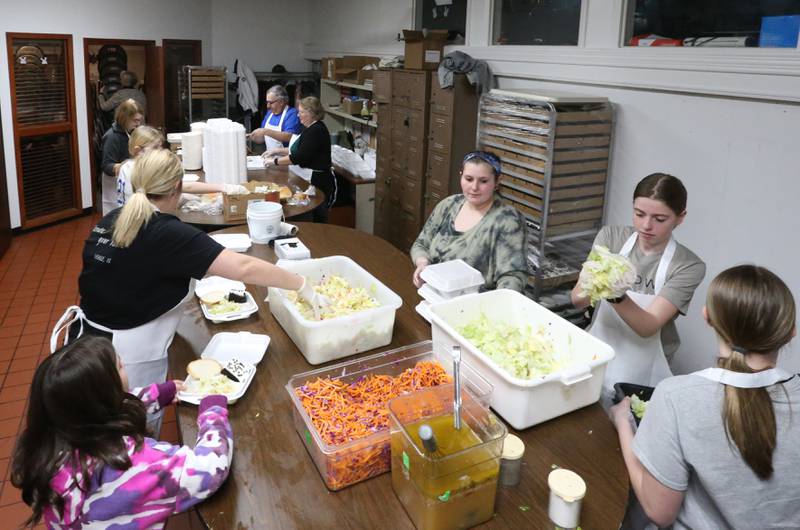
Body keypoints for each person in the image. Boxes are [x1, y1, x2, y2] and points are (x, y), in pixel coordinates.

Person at [50, 149, 326, 413]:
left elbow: (132, 274)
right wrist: (301, 283)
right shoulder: (168, 233)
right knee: (132, 434)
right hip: (127, 356)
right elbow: (243, 267)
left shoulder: (112, 218)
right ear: (177, 188)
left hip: (86, 346)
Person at [609, 265, 800, 529]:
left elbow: (658, 511)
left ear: (707, 316)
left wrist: (623, 424)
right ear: (791, 331)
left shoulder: (676, 397)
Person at [11, 335, 232, 529]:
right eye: (120, 365)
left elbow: (110, 405)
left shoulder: (47, 447)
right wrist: (213, 412)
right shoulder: (132, 463)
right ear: (107, 392)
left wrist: (157, 394)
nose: (124, 364)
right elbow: (210, 470)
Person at [571, 173, 705, 397]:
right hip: (598, 349)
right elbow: (576, 301)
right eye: (639, 214)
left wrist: (615, 294)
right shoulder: (611, 238)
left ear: (680, 217)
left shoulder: (687, 265)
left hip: (644, 369)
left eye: (660, 219)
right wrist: (591, 283)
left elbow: (647, 327)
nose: (646, 225)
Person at [410, 151, 527, 291]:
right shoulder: (449, 205)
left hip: (475, 305)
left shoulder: (507, 221)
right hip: (434, 293)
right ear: (461, 176)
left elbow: (512, 278)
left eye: (483, 181)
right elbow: (421, 244)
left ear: (497, 182)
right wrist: (422, 262)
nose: (474, 187)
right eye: (469, 179)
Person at [116, 125, 246, 207]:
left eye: (161, 146)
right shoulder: (142, 170)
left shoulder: (126, 165)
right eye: (155, 147)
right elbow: (184, 186)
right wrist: (223, 187)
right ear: (138, 150)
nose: (160, 151)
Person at [263, 96, 337, 223]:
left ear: (312, 113)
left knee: (318, 217)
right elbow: (300, 150)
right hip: (309, 178)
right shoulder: (309, 128)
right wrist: (277, 151)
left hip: (319, 181)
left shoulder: (316, 130)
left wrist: (274, 161)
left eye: (302, 112)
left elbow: (298, 157)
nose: (298, 115)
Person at [101, 99, 143, 215]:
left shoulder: (128, 131)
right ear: (125, 118)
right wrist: (127, 165)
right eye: (135, 120)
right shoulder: (112, 137)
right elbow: (106, 166)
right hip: (114, 185)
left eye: (139, 120)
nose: (138, 124)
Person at [249, 85, 302, 149]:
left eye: (271, 103)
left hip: (286, 157)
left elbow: (290, 137)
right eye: (267, 102)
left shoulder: (292, 113)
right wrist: (251, 136)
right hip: (270, 155)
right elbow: (262, 139)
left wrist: (265, 131)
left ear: (281, 102)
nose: (268, 106)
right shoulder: (269, 114)